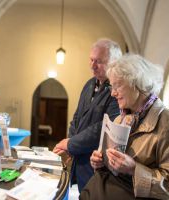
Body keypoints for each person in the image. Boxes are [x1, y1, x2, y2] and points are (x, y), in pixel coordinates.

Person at [80, 54, 169, 199]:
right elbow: (112, 170)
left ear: (138, 84)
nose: (113, 93)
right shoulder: (120, 119)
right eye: (111, 87)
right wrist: (100, 163)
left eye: (117, 85)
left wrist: (134, 169)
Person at [53, 39, 122, 191]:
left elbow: (104, 128)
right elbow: (76, 118)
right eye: (91, 59)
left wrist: (70, 144)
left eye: (99, 61)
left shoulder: (117, 89)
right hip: (80, 161)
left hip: (98, 166)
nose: (92, 65)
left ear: (114, 62)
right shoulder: (89, 84)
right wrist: (70, 145)